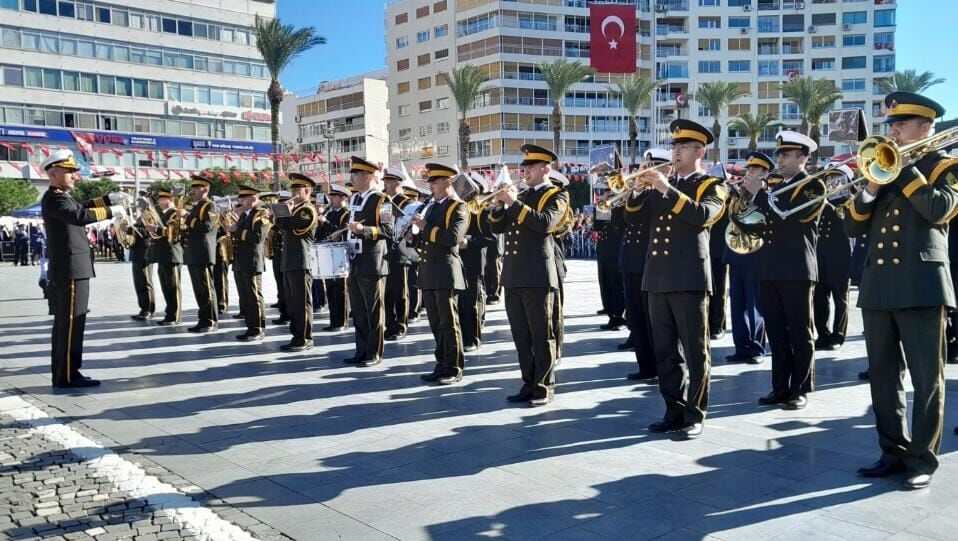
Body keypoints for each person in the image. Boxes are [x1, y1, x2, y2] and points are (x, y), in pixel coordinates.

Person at [843, 92, 958, 490]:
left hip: (921, 285)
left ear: (925, 127)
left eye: (901, 124)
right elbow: (852, 226)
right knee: (883, 375)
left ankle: (922, 458)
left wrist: (905, 171)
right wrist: (872, 187)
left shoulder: (944, 166)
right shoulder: (879, 166)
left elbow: (940, 209)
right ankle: (891, 451)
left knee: (928, 380)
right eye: (891, 124)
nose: (891, 130)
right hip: (878, 287)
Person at [639, 120, 726, 439]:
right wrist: (636, 191)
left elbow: (702, 217)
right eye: (674, 146)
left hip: (689, 278)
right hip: (657, 277)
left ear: (699, 151)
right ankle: (672, 410)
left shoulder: (711, 185)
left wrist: (664, 187)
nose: (674, 151)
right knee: (665, 351)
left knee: (694, 349)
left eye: (682, 146)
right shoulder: (664, 184)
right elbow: (633, 217)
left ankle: (695, 413)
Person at [738, 131, 825, 411]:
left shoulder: (813, 186)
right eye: (779, 154)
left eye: (786, 154)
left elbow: (789, 216)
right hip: (769, 267)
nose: (779, 159)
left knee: (800, 332)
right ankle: (780, 387)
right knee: (776, 332)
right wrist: (747, 199)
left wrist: (759, 195)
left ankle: (800, 388)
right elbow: (761, 221)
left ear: (802, 158)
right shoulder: (773, 187)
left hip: (797, 268)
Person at [40, 149, 129, 388]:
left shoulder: (60, 197)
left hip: (72, 268)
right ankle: (68, 375)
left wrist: (108, 199)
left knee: (67, 323)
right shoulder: (55, 198)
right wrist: (112, 212)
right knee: (70, 322)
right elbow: (79, 215)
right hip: (70, 269)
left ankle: (64, 373)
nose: (74, 176)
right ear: (53, 173)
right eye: (69, 172)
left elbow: (83, 206)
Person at [489, 144, 566, 407]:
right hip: (513, 274)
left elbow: (544, 223)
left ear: (546, 168)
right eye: (524, 167)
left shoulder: (556, 196)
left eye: (530, 166)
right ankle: (529, 381)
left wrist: (513, 203)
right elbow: (497, 227)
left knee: (541, 334)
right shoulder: (520, 196)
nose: (525, 171)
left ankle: (545, 385)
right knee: (520, 334)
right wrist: (498, 206)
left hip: (537, 275)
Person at [412, 163, 468, 384]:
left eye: (435, 182)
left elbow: (452, 238)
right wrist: (412, 237)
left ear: (448, 182)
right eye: (431, 183)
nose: (432, 187)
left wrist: (424, 226)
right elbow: (424, 240)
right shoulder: (433, 207)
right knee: (435, 323)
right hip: (428, 271)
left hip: (446, 271)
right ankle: (441, 363)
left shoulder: (458, 207)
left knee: (448, 322)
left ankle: (453, 367)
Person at [622, 149, 670, 380]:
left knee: (654, 322)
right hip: (632, 261)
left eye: (653, 166)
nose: (647, 170)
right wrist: (637, 187)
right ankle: (646, 366)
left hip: (651, 262)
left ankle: (661, 368)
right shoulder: (643, 193)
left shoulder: (667, 192)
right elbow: (629, 217)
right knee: (637, 318)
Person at [342, 157, 394, 367]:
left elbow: (389, 231)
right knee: (359, 310)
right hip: (354, 261)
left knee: (373, 310)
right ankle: (361, 350)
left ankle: (374, 353)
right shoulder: (354, 199)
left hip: (373, 263)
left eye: (355, 174)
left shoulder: (382, 200)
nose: (351, 178)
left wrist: (363, 230)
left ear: (368, 176)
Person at [723, 152, 772, 365]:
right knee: (737, 303)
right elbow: (730, 218)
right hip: (736, 253)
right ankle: (740, 346)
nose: (749, 173)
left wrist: (753, 195)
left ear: (765, 173)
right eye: (748, 169)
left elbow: (760, 221)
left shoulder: (768, 195)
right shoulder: (738, 193)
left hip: (756, 255)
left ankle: (757, 347)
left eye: (754, 170)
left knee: (755, 304)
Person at [273, 174, 318, 351]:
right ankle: (296, 335)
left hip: (301, 261)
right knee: (293, 302)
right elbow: (280, 224)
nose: (293, 193)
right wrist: (283, 214)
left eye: (297, 190)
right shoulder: (296, 209)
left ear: (307, 191)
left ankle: (305, 337)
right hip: (290, 261)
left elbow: (292, 226)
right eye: (293, 189)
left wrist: (283, 212)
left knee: (302, 302)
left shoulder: (306, 210)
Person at [813, 164, 855, 351]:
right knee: (819, 296)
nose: (831, 182)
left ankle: (838, 335)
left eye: (836, 177)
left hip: (840, 252)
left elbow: (850, 222)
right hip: (819, 251)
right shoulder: (819, 199)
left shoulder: (851, 200)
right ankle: (822, 333)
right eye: (829, 178)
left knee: (840, 297)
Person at [459, 173, 496, 352]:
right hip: (454, 261)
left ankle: (472, 339)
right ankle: (461, 337)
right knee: (458, 302)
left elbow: (490, 237)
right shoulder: (456, 206)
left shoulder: (481, 208)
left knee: (472, 301)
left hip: (473, 260)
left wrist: (469, 242)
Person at [229, 185, 270, 341]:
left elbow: (258, 236)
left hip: (252, 261)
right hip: (240, 260)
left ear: (253, 198)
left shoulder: (262, 214)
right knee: (245, 297)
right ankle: (250, 327)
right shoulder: (244, 215)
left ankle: (258, 328)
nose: (240, 200)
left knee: (254, 297)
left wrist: (236, 230)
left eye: (243, 198)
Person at [180, 174, 218, 333]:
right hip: (193, 253)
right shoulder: (197, 205)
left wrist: (187, 218)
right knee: (199, 289)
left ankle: (210, 321)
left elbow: (207, 227)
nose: (193, 190)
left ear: (205, 189)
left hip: (203, 252)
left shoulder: (210, 206)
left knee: (206, 288)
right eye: (192, 188)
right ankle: (203, 319)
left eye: (196, 188)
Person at [382, 167, 416, 341]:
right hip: (385, 250)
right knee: (387, 293)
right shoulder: (384, 202)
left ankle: (401, 325)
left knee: (400, 291)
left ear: (397, 183)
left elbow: (411, 225)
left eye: (388, 181)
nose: (385, 184)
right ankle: (389, 324)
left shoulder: (407, 203)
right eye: (385, 181)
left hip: (400, 251)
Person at [546, 170, 573, 362]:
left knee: (555, 310)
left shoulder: (564, 208)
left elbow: (560, 228)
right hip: (539, 262)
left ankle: (557, 349)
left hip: (554, 259)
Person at [318, 184, 351, 332]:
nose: (331, 199)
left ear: (343, 197)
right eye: (330, 196)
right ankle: (333, 320)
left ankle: (341, 322)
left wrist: (325, 222)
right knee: (331, 288)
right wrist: (319, 222)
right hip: (329, 254)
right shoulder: (330, 214)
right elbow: (322, 234)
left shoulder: (347, 213)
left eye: (334, 196)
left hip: (340, 255)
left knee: (340, 288)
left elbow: (340, 231)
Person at [593, 185, 627, 331]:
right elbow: (597, 226)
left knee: (616, 284)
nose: (609, 194)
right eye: (607, 191)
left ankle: (619, 316)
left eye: (612, 192)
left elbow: (619, 223)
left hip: (617, 249)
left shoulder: (623, 206)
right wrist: (603, 205)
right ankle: (611, 314)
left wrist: (613, 205)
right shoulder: (604, 206)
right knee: (605, 283)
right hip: (604, 250)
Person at [147, 190, 183, 326]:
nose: (159, 202)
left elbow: (173, 232)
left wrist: (155, 229)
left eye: (162, 199)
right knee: (166, 287)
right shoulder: (162, 214)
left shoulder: (175, 213)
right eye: (159, 199)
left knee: (173, 287)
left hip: (172, 253)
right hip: (162, 254)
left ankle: (175, 316)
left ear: (170, 199)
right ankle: (169, 314)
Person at [128, 200, 156, 320]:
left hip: (145, 252)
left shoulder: (150, 216)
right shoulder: (140, 217)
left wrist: (131, 229)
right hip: (136, 251)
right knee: (138, 282)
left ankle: (149, 309)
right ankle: (143, 308)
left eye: (141, 204)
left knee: (145, 282)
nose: (139, 206)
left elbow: (150, 233)